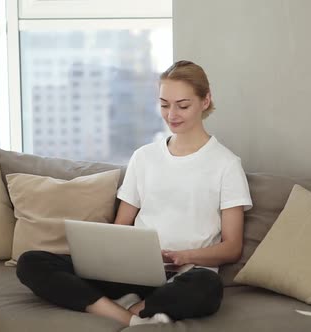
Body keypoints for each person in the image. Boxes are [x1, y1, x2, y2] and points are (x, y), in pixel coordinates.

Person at [16, 60, 253, 326]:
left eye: (182, 105)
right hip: (132, 271)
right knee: (31, 262)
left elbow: (232, 248)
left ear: (205, 101)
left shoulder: (226, 164)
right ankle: (128, 316)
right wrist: (112, 256)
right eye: (164, 104)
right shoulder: (144, 157)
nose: (172, 114)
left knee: (208, 287)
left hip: (187, 274)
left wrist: (184, 256)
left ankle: (130, 306)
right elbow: (121, 226)